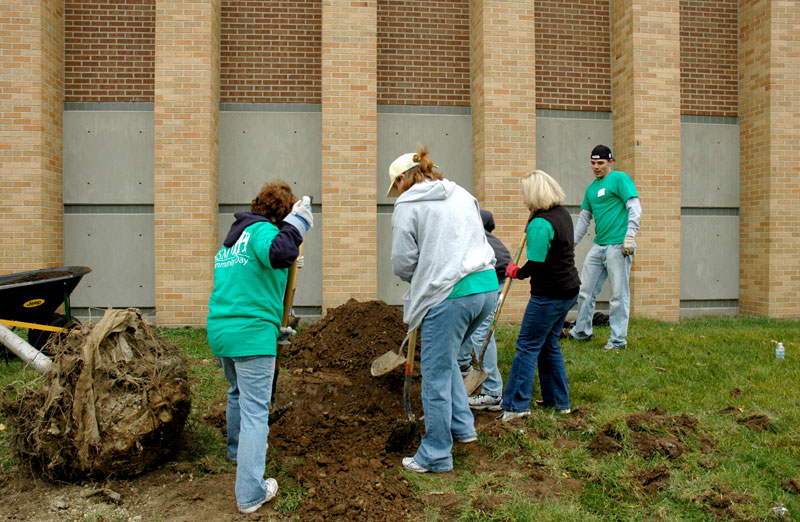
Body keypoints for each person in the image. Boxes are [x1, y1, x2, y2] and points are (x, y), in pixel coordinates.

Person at [388, 145, 498, 473]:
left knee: (435, 374)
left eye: (395, 186)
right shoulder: (462, 193)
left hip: (449, 296)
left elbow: (403, 263)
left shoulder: (407, 205)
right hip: (486, 287)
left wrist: (423, 277)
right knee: (448, 362)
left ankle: (435, 452)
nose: (395, 192)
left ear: (403, 179)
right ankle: (463, 428)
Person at [206, 181, 313, 514]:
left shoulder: (232, 242)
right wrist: (300, 223)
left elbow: (252, 282)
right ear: (280, 213)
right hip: (249, 334)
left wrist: (276, 326)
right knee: (256, 412)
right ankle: (251, 493)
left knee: (238, 392)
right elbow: (281, 251)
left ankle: (237, 452)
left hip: (222, 331)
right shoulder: (262, 232)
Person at [499, 170, 580, 421]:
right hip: (569, 288)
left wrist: (516, 272)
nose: (523, 200)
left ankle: (516, 406)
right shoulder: (562, 214)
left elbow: (536, 262)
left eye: (525, 195)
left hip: (550, 295)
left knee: (527, 346)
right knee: (548, 344)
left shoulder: (541, 224)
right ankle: (558, 401)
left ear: (535, 195)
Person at [565, 144, 641, 350]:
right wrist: (571, 243)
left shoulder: (620, 179)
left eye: (600, 163)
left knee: (618, 296)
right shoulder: (591, 189)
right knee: (585, 291)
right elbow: (584, 219)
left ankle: (617, 341)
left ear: (610, 162)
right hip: (599, 246)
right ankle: (581, 331)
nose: (596, 167)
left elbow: (634, 207)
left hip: (619, 246)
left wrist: (630, 235)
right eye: (593, 163)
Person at [457, 209, 512, 411]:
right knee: (467, 320)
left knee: (481, 332)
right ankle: (463, 364)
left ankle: (493, 392)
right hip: (497, 272)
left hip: (494, 276)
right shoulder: (481, 233)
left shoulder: (467, 236)